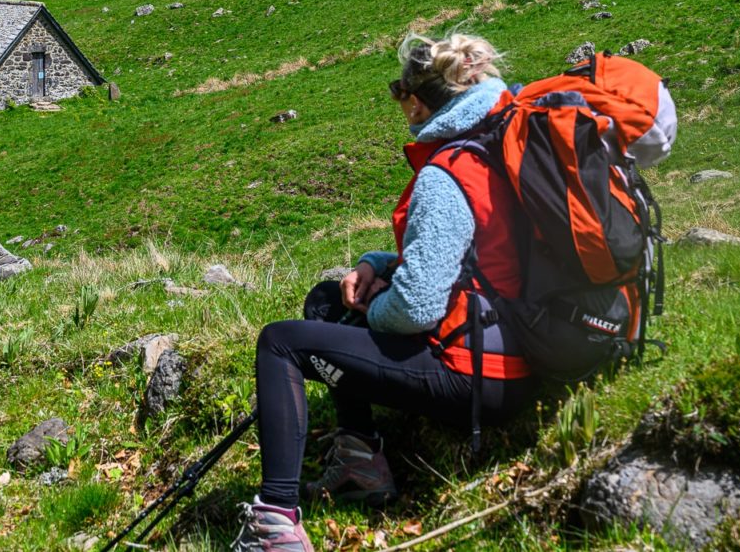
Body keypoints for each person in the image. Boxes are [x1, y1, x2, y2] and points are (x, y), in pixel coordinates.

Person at [230, 31, 542, 552]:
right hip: (519, 345)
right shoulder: (497, 145)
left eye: (405, 107)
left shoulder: (446, 173)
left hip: (476, 374)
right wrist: (377, 265)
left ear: (418, 103)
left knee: (281, 343)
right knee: (327, 301)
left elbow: (417, 308)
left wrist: (375, 304)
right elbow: (478, 255)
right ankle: (359, 461)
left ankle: (275, 525)